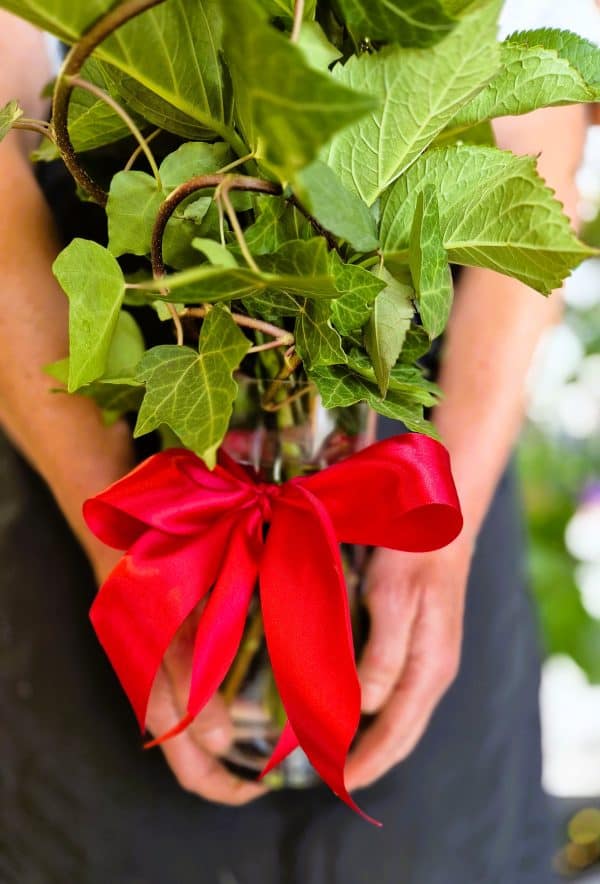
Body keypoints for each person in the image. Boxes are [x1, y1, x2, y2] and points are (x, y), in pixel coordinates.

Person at [0, 8, 591, 883]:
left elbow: (541, 133)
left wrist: (447, 525)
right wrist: (131, 556)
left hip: (416, 479)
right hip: (103, 466)